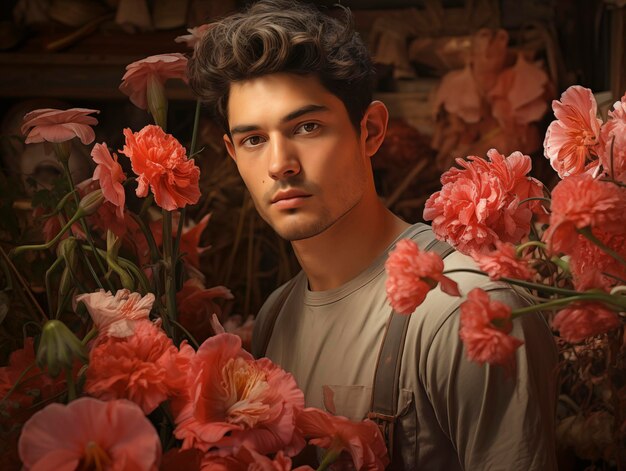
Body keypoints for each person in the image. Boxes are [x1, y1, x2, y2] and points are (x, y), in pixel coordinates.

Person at [188, 1, 558, 469]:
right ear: (233, 153)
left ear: (371, 131)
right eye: (254, 139)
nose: (280, 163)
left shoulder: (464, 311)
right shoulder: (275, 315)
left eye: (307, 127)